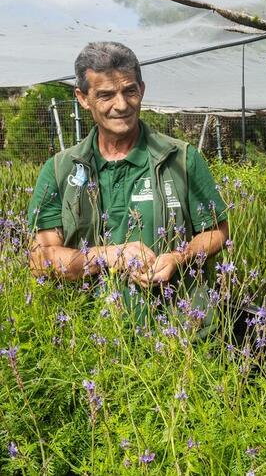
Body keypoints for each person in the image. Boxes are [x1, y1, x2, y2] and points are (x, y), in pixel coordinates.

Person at [28, 41, 229, 328]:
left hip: (179, 336)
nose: (121, 105)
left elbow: (218, 231)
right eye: (106, 95)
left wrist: (179, 257)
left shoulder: (180, 158)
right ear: (83, 98)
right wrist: (107, 255)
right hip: (89, 339)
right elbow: (40, 260)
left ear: (142, 90)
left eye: (129, 91)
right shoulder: (61, 170)